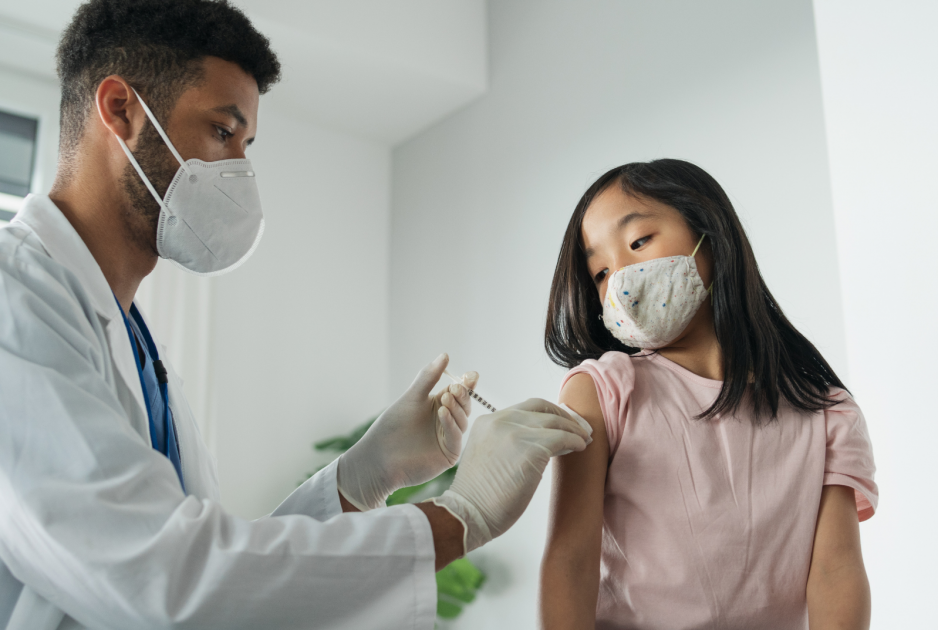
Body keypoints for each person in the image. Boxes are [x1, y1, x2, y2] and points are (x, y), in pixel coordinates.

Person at [0, 1, 591, 628]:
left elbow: (223, 575)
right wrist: (457, 517)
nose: (239, 171)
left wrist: (361, 476)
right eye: (223, 133)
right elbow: (164, 580)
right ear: (120, 109)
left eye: (246, 144)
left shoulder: (130, 335)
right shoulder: (16, 298)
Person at [538, 160, 877, 630]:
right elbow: (569, 560)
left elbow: (836, 570)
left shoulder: (827, 413)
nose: (620, 279)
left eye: (639, 242)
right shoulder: (602, 390)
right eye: (599, 272)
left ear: (711, 235)